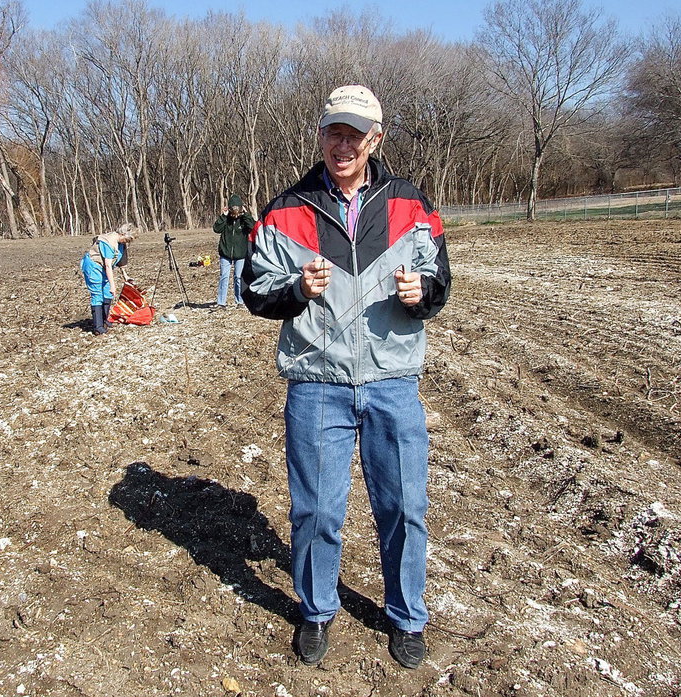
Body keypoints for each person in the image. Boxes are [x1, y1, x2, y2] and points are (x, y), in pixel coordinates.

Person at [244, 85, 450, 669]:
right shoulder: (286, 208)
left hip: (392, 382)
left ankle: (407, 617)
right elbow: (254, 291)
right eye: (335, 131)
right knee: (314, 511)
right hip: (316, 384)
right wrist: (294, 289)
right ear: (321, 135)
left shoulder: (411, 204)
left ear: (375, 140)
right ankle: (316, 612)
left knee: (405, 507)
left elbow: (439, 279)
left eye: (355, 135)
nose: (343, 144)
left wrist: (422, 293)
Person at [80, 223, 139, 335]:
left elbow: (120, 261)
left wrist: (125, 275)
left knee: (108, 294)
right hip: (93, 266)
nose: (129, 241)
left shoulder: (121, 243)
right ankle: (98, 327)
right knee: (97, 294)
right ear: (123, 233)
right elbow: (108, 265)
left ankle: (104, 320)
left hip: (104, 268)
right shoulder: (108, 242)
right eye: (129, 238)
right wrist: (113, 285)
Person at [213, 194, 254, 311]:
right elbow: (216, 229)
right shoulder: (226, 220)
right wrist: (223, 216)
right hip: (225, 253)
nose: (235, 213)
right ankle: (221, 302)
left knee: (238, 277)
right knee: (224, 277)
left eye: (238, 210)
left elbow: (253, 227)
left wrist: (246, 215)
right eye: (233, 210)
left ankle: (240, 301)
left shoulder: (244, 220)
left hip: (240, 254)